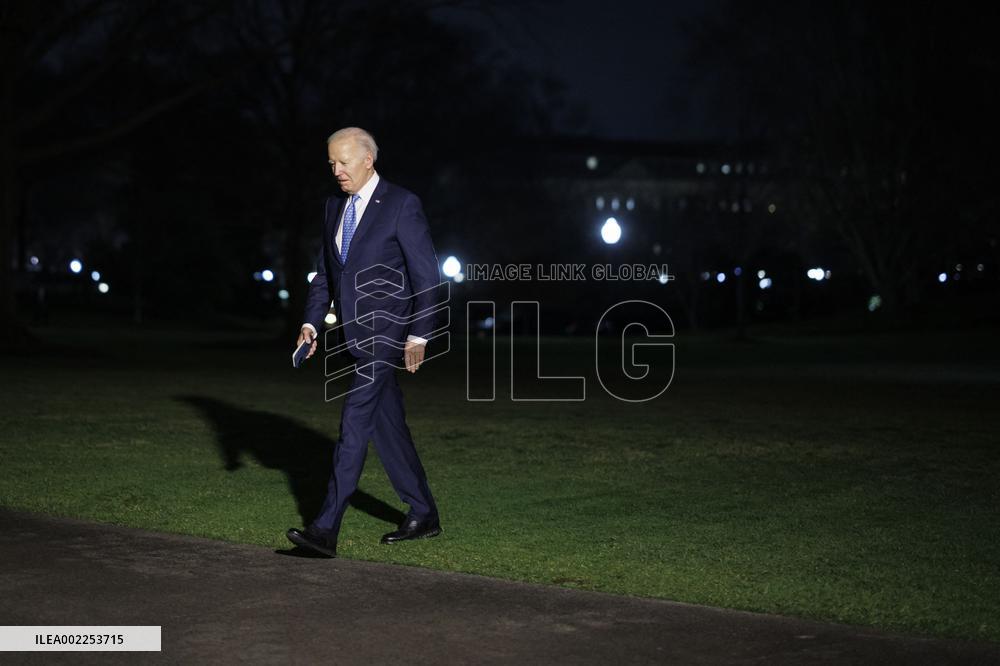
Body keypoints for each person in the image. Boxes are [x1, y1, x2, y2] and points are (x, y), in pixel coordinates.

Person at [287, 127, 442, 558]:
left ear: (368, 160)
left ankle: (324, 529)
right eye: (331, 163)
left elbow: (427, 277)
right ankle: (424, 513)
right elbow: (325, 275)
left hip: (386, 333)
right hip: (352, 336)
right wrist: (312, 325)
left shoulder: (401, 204)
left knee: (353, 423)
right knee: (387, 428)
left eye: (343, 162)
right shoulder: (333, 207)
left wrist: (418, 333)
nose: (336, 171)